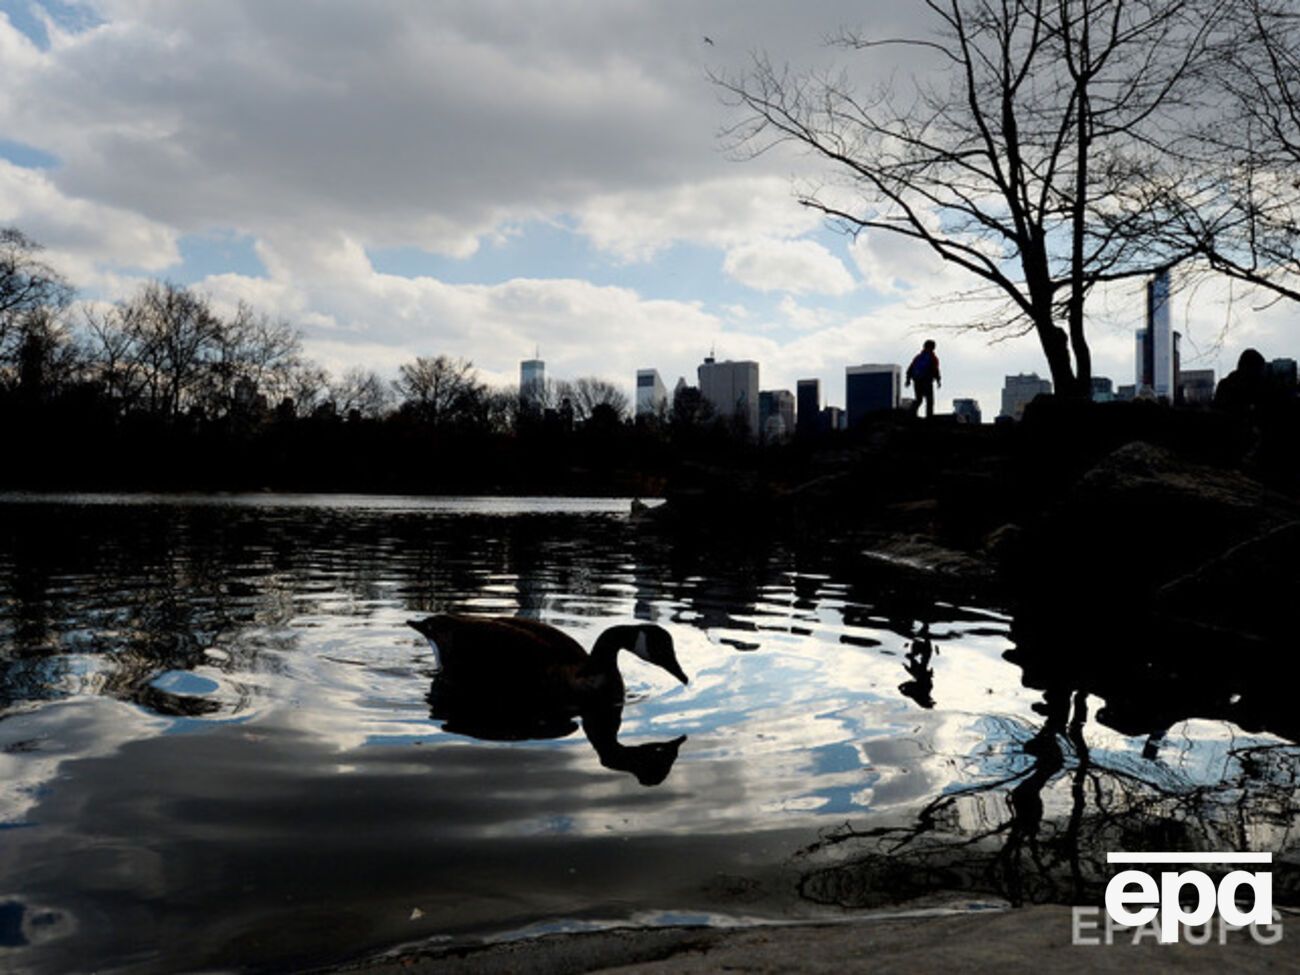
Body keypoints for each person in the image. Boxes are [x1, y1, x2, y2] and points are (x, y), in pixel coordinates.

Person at [905, 340, 941, 418]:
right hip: (927, 381)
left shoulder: (918, 357)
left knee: (918, 399)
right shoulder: (933, 358)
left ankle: (911, 414)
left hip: (917, 381)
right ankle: (929, 417)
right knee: (929, 400)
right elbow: (935, 370)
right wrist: (938, 380)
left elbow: (910, 368)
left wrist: (908, 380)